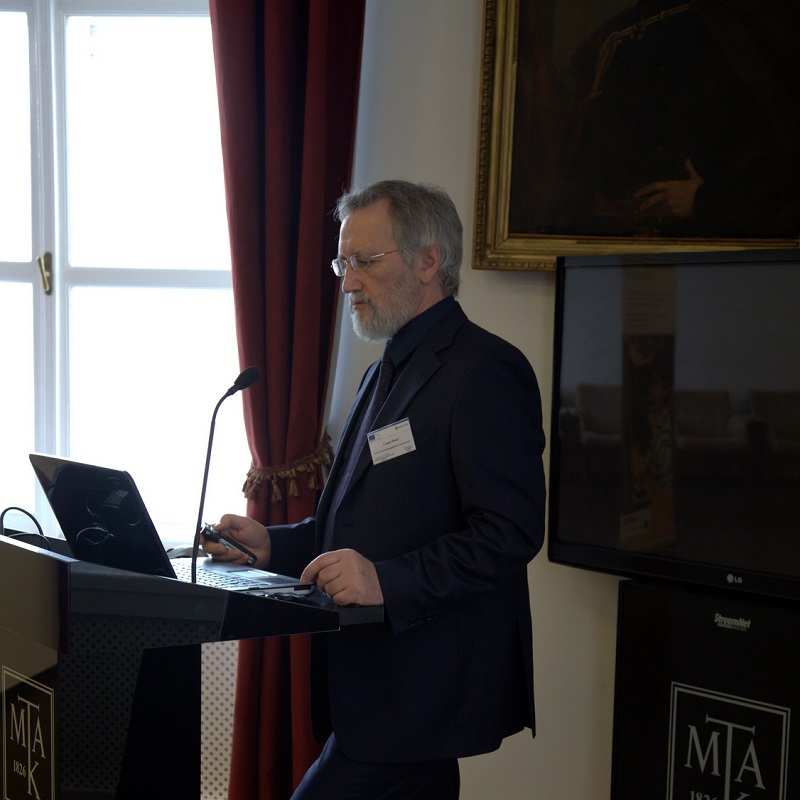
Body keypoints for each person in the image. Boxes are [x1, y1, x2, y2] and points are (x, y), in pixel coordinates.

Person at [203, 179, 546, 799]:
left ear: (427, 261)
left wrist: (385, 580)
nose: (348, 283)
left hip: (421, 693)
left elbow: (510, 532)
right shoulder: (380, 371)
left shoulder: (486, 370)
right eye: (343, 263)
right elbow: (356, 523)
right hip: (370, 691)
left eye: (365, 260)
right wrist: (272, 545)